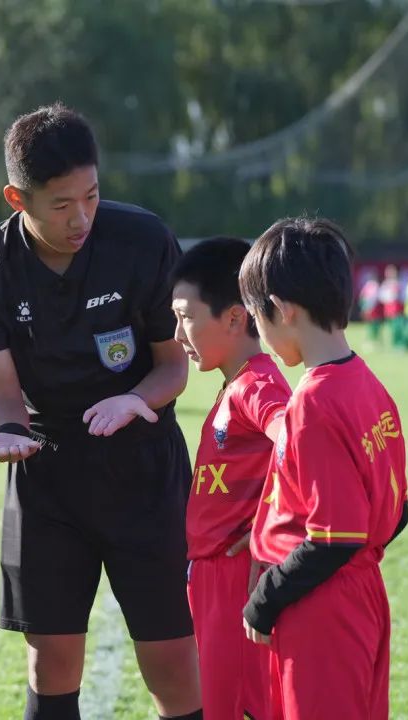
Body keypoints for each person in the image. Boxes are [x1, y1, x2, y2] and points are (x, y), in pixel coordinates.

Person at [0, 103, 201, 720]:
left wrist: (133, 400)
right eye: (62, 204)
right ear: (18, 198)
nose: (81, 217)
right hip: (48, 474)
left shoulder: (142, 240)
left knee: (173, 660)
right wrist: (10, 432)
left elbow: (174, 366)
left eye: (91, 196)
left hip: (144, 469)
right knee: (52, 659)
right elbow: (4, 394)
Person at [238, 217, 408, 720]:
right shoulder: (366, 381)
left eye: (257, 317)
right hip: (361, 592)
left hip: (321, 606)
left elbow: (334, 536)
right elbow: (397, 512)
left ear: (283, 310)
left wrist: (264, 600)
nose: (261, 335)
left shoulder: (312, 402)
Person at [170, 238, 291, 720]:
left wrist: (269, 524)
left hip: (236, 578)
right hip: (211, 575)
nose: (178, 332)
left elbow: (300, 442)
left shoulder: (257, 385)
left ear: (236, 317)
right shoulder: (235, 383)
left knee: (236, 706)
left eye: (186, 316)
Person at [378, 264, 405, 350]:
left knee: (397, 328)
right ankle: (392, 345)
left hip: (397, 310)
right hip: (388, 310)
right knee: (390, 329)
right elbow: (381, 297)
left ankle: (399, 344)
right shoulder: (385, 284)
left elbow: (402, 297)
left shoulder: (398, 283)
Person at [358, 269, 384, 347]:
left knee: (374, 324)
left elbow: (374, 297)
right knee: (371, 324)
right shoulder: (370, 285)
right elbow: (363, 296)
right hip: (370, 308)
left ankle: (375, 340)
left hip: (373, 308)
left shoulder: (373, 285)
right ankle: (372, 340)